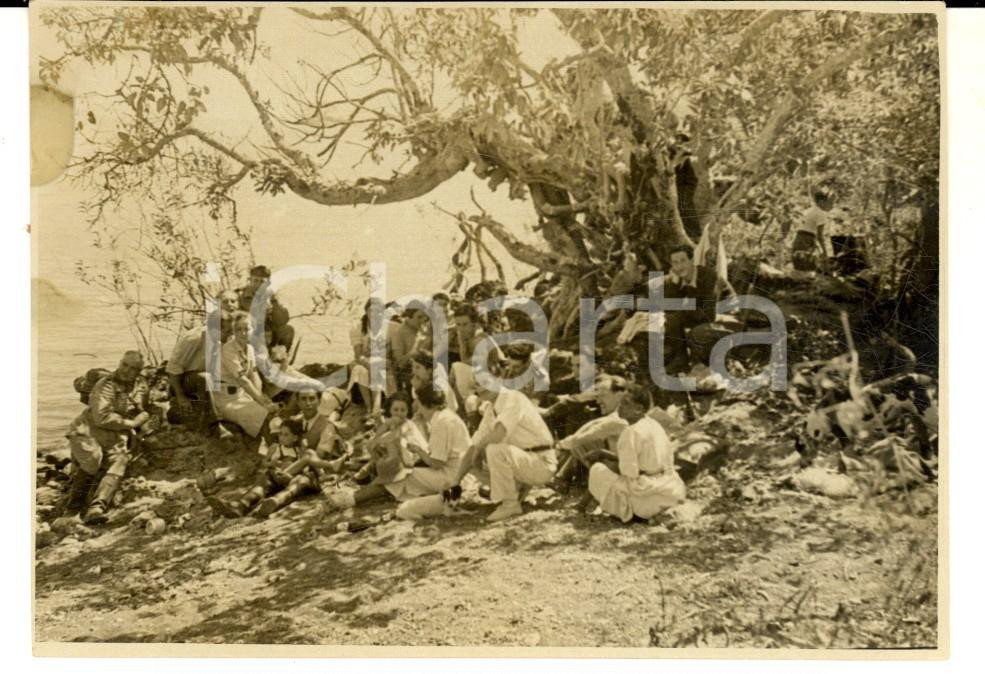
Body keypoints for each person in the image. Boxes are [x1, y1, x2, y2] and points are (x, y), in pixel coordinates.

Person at [63, 351, 156, 524]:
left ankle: (96, 508)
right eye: (124, 365)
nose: (126, 370)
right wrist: (133, 424)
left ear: (138, 371)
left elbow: (142, 406)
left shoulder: (140, 385)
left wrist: (143, 420)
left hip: (114, 435)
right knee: (93, 458)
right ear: (120, 363)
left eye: (133, 368)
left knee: (121, 460)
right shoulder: (106, 385)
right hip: (87, 430)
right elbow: (102, 417)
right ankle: (72, 509)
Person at [450, 384, 557, 523]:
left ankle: (510, 504)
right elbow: (473, 446)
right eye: (476, 383)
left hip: (541, 461)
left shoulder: (513, 397)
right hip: (523, 461)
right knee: (464, 457)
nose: (481, 387)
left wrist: (478, 450)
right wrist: (454, 484)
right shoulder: (490, 409)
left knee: (494, 449)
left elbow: (499, 434)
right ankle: (516, 490)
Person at [585, 383, 686, 522]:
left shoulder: (630, 432)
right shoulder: (654, 424)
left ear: (639, 409)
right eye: (621, 403)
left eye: (626, 404)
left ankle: (629, 512)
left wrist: (607, 461)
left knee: (597, 470)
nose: (620, 407)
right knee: (612, 469)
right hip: (672, 491)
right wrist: (605, 454)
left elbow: (629, 472)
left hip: (648, 498)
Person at [325, 392, 428, 511]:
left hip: (417, 461)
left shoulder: (407, 424)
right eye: (396, 410)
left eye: (403, 410)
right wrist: (376, 439)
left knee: (388, 452)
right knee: (381, 453)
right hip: (400, 461)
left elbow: (396, 436)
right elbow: (376, 438)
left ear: (407, 411)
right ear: (390, 410)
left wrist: (379, 441)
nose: (399, 413)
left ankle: (354, 497)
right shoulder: (390, 423)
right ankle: (360, 491)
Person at [206, 417, 308, 518]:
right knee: (261, 484)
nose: (281, 437)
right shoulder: (275, 447)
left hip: (288, 478)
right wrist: (272, 464)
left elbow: (303, 465)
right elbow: (264, 463)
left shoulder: (299, 450)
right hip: (274, 476)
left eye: (286, 435)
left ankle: (269, 504)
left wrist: (288, 470)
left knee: (288, 484)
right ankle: (241, 505)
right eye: (280, 434)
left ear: (295, 438)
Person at [213, 311, 280, 445]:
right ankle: (272, 451)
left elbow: (254, 375)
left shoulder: (249, 348)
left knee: (273, 412)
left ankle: (277, 448)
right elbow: (242, 380)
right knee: (263, 413)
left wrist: (262, 398)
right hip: (227, 399)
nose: (243, 333)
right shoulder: (228, 350)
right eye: (239, 329)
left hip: (243, 395)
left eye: (247, 329)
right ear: (234, 332)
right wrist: (261, 402)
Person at [552, 375, 629, 491]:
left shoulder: (620, 418)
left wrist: (558, 446)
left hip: (627, 471)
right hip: (622, 464)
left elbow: (583, 437)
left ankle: (598, 486)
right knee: (583, 441)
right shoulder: (618, 415)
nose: (598, 401)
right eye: (597, 396)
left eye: (602, 396)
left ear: (618, 396)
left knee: (581, 442)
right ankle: (563, 478)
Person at [660, 244, 720, 376]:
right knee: (670, 319)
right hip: (703, 318)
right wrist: (674, 284)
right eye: (675, 263)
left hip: (726, 318)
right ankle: (681, 359)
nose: (679, 266)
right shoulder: (679, 280)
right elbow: (669, 309)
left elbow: (709, 313)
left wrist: (683, 306)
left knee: (696, 333)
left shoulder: (708, 276)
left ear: (692, 260)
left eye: (683, 261)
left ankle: (700, 363)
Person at [237, 265, 294, 349]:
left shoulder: (271, 296)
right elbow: (231, 317)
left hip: (267, 332)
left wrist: (274, 305)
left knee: (287, 330)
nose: (258, 284)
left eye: (262, 282)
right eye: (255, 280)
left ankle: (279, 357)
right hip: (246, 330)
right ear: (250, 280)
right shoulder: (239, 295)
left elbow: (282, 321)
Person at [791, 190, 833, 272]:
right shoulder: (821, 213)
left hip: (798, 239)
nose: (828, 205)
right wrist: (825, 252)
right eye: (826, 202)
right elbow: (820, 236)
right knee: (808, 269)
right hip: (807, 241)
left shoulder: (808, 210)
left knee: (800, 268)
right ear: (821, 202)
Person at [389, 306, 427, 395]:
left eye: (425, 317)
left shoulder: (424, 329)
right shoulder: (399, 332)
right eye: (419, 317)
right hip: (406, 370)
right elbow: (399, 361)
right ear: (409, 317)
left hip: (425, 366)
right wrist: (416, 348)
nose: (423, 320)